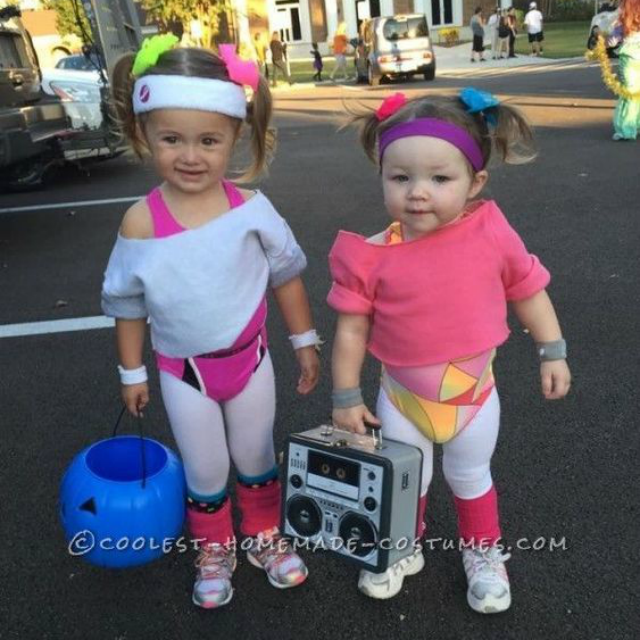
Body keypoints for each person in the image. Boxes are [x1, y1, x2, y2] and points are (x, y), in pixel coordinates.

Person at [327, 89, 571, 612]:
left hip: (474, 398)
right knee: (408, 478)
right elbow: (350, 330)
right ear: (383, 177)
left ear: (475, 182)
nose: (418, 192)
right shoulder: (369, 256)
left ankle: (483, 553)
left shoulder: (490, 233)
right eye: (401, 177)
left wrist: (553, 350)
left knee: (470, 475)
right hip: (402, 399)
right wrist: (345, 395)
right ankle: (401, 546)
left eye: (440, 179)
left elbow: (528, 289)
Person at [103, 35, 321, 609]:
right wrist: (132, 374)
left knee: (255, 457)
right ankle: (212, 546)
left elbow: (286, 276)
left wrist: (304, 341)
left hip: (249, 363)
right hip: (183, 372)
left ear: (233, 137)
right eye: (171, 139)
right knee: (205, 468)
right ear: (143, 134)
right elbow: (127, 304)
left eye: (208, 140)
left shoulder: (252, 210)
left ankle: (264, 534)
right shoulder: (139, 224)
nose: (190, 155)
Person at [607, 0, 640, 140]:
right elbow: (613, 40)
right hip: (631, 60)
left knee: (631, 93)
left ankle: (629, 126)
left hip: (631, 60)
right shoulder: (623, 23)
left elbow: (612, 41)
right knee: (632, 94)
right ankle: (629, 126)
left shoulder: (622, 22)